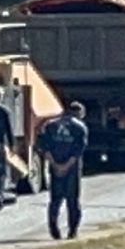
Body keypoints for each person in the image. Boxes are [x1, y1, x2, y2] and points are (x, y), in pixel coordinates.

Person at [40, 100, 91, 240]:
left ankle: (53, 228)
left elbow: (45, 148)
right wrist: (66, 166)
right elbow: (78, 151)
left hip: (54, 167)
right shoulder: (80, 127)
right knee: (72, 200)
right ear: (80, 114)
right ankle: (72, 230)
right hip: (72, 169)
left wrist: (55, 165)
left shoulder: (50, 125)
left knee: (55, 199)